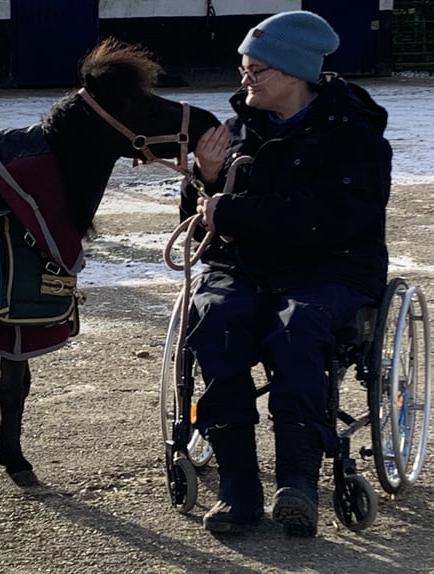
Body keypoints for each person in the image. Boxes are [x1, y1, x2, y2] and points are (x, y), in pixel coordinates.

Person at [179, 11, 392, 537]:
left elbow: (330, 216)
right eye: (243, 68)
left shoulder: (356, 137)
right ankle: (238, 490)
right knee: (217, 321)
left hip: (331, 267)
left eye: (257, 70)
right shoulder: (231, 132)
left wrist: (231, 212)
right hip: (243, 267)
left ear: (295, 74)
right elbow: (194, 217)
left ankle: (297, 483)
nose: (243, 79)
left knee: (298, 330)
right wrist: (203, 179)